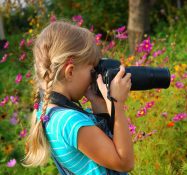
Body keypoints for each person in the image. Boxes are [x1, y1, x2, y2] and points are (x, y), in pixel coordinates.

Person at [23, 20, 134, 175]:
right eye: (92, 70)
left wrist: (98, 104)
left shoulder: (49, 112)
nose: (94, 77)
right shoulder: (71, 121)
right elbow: (124, 162)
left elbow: (103, 148)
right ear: (70, 71)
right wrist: (117, 104)